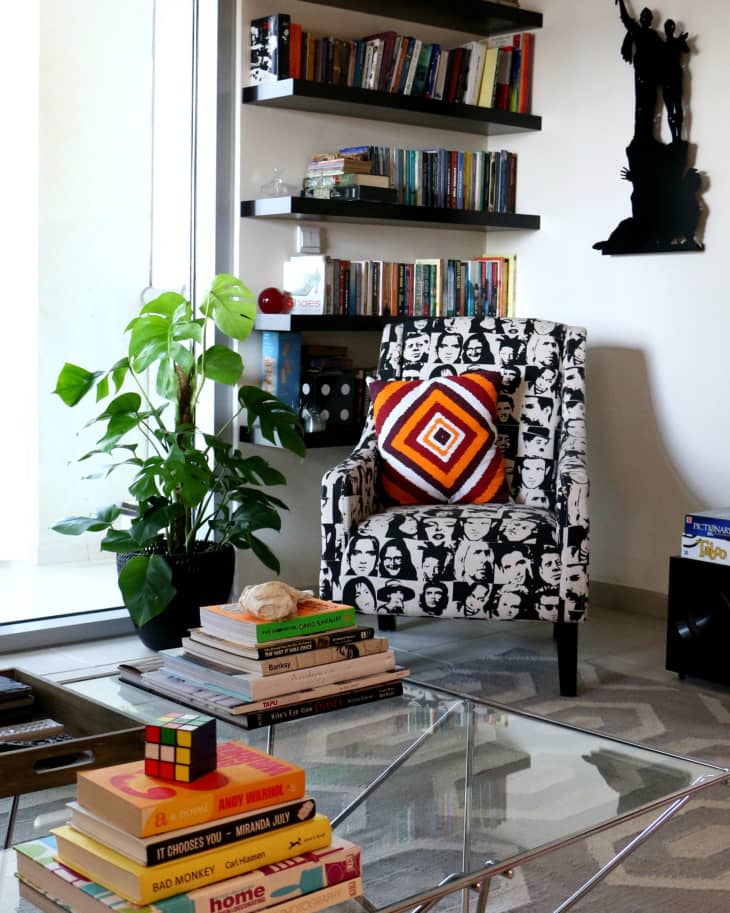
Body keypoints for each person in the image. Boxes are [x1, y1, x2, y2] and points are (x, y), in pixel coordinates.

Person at [615, 0, 664, 141]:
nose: (645, 19)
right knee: (642, 104)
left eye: (646, 17)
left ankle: (647, 135)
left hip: (651, 73)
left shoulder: (653, 36)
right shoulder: (638, 31)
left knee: (649, 104)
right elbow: (625, 18)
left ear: (649, 20)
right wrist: (622, 3)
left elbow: (664, 52)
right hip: (642, 72)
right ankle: (640, 135)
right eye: (644, 17)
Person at [662, 19, 689, 142]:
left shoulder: (671, 44)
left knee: (677, 107)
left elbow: (686, 50)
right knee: (671, 109)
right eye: (668, 28)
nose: (669, 31)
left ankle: (677, 137)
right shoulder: (663, 46)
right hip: (668, 79)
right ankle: (675, 137)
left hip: (673, 78)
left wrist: (681, 41)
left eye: (670, 28)